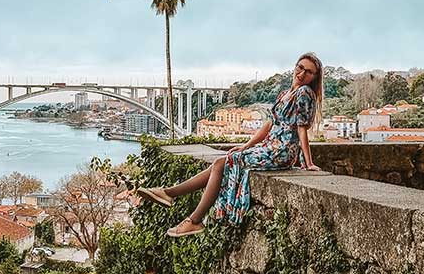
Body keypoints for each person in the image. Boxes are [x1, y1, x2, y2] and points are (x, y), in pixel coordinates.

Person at [137, 52, 324, 237]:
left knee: (222, 162)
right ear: (295, 66)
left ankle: (188, 214)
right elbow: (268, 125)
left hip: (281, 151)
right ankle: (174, 199)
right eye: (300, 67)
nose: (302, 73)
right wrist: (246, 146)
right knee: (223, 161)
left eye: (308, 72)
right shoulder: (286, 93)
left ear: (314, 77)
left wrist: (307, 163)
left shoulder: (304, 93)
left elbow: (301, 129)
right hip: (269, 147)